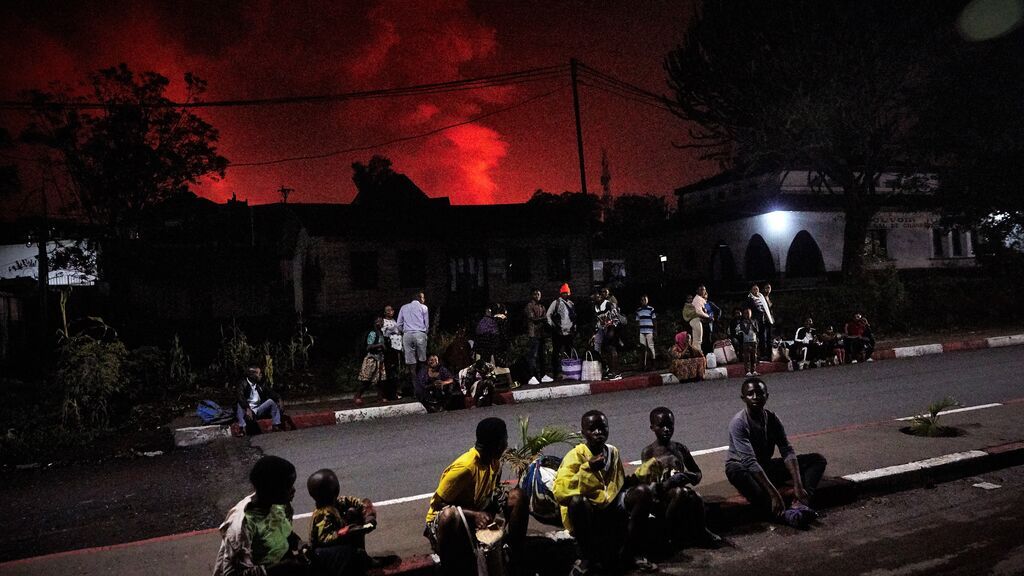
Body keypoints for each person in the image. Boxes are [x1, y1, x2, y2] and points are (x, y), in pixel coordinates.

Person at [553, 410, 658, 575]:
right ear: (583, 433)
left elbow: (619, 485)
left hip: (611, 507)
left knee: (643, 492)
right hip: (590, 511)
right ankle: (587, 558)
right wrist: (587, 468)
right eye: (592, 429)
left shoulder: (613, 452)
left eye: (602, 428)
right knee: (577, 502)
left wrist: (641, 475)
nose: (598, 432)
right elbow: (560, 492)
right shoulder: (575, 456)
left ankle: (631, 552)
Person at [424, 417, 528, 576]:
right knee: (449, 515)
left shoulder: (494, 462)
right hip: (450, 524)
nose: (506, 445)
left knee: (517, 497)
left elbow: (490, 494)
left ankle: (514, 555)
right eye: (504, 440)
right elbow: (438, 504)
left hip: (476, 511)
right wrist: (475, 515)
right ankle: (448, 567)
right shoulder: (465, 468)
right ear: (498, 445)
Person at [725, 378, 828, 526]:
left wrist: (798, 485)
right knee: (741, 476)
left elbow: (787, 450)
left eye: (760, 393)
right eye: (750, 394)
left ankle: (801, 503)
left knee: (817, 460)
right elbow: (749, 462)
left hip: (764, 465)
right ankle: (784, 515)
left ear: (767, 396)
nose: (755, 397)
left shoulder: (772, 419)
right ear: (743, 398)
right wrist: (774, 494)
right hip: (743, 467)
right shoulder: (739, 423)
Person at [640, 407, 722, 548]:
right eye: (661, 426)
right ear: (652, 428)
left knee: (695, 496)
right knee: (680, 492)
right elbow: (648, 484)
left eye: (670, 425)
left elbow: (697, 473)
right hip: (661, 495)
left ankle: (702, 530)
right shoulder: (649, 452)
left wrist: (689, 476)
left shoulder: (680, 448)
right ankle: (667, 531)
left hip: (681, 493)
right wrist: (669, 482)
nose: (666, 429)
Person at [213, 455, 308, 576]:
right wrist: (283, 567)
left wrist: (298, 542)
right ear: (271, 490)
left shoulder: (278, 506)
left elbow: (283, 532)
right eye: (288, 487)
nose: (293, 490)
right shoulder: (242, 527)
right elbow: (236, 573)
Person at [306, 468, 378, 574]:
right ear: (337, 489)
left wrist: (369, 517)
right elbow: (324, 539)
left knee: (353, 511)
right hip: (322, 553)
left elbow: (359, 503)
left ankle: (359, 558)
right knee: (355, 551)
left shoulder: (335, 503)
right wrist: (346, 532)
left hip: (331, 546)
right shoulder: (323, 514)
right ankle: (358, 561)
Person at [236, 365, 284, 433]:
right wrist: (247, 408)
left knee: (271, 402)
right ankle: (242, 428)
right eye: (259, 374)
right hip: (247, 411)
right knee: (239, 404)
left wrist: (279, 399)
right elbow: (240, 397)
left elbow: (271, 392)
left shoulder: (261, 384)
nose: (261, 375)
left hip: (258, 410)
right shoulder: (242, 383)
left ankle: (276, 425)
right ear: (252, 375)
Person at [397, 291, 429, 393]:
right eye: (423, 298)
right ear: (419, 298)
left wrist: (404, 332)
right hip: (420, 334)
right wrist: (425, 333)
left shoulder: (403, 307)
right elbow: (426, 324)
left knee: (412, 365)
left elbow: (399, 324)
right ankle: (423, 386)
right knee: (422, 361)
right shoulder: (424, 307)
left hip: (407, 335)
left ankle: (416, 389)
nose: (424, 300)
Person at [546, 284, 576, 380]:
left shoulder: (571, 304)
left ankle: (570, 372)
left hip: (569, 332)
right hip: (558, 332)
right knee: (556, 353)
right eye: (563, 293)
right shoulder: (556, 303)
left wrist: (574, 326)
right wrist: (552, 325)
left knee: (569, 352)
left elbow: (573, 317)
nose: (565, 294)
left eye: (566, 293)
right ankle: (556, 373)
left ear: (569, 293)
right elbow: (548, 314)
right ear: (560, 293)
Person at [354, 317, 387, 406]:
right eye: (378, 322)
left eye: (381, 322)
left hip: (380, 358)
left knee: (380, 380)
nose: (380, 323)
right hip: (372, 358)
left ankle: (380, 397)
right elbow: (368, 347)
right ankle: (358, 396)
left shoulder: (381, 333)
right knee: (366, 380)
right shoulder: (373, 333)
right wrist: (379, 345)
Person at [592, 290, 623, 380]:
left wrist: (612, 330)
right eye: (594, 298)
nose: (596, 299)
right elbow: (598, 321)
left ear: (601, 296)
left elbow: (615, 318)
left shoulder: (608, 304)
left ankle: (616, 372)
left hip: (612, 328)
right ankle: (609, 370)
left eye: (597, 297)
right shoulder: (596, 307)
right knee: (604, 350)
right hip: (604, 330)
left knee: (611, 348)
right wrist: (595, 333)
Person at [524, 288, 549, 384]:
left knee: (542, 356)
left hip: (541, 333)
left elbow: (544, 319)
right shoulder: (529, 306)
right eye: (535, 294)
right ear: (531, 295)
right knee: (533, 356)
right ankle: (532, 376)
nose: (537, 296)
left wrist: (543, 319)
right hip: (533, 333)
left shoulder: (542, 306)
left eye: (538, 294)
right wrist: (543, 318)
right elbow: (532, 318)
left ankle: (543, 375)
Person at [746, 285, 774, 361]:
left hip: (766, 318)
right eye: (754, 289)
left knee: (768, 337)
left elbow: (768, 307)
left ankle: (768, 354)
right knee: (761, 337)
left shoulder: (762, 297)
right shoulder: (750, 299)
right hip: (757, 320)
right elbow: (749, 310)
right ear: (751, 291)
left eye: (757, 289)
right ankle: (762, 354)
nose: (756, 290)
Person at [381, 305, 404, 399]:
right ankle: (391, 392)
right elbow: (383, 333)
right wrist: (392, 331)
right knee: (391, 370)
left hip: (398, 348)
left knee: (398, 370)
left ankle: (398, 390)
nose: (390, 311)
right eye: (387, 310)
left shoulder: (395, 321)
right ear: (384, 312)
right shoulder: (383, 321)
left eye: (391, 310)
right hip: (391, 348)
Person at [737, 308, 760, 377]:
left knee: (754, 356)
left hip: (753, 340)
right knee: (747, 357)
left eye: (749, 313)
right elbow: (746, 331)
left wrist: (752, 323)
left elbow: (756, 330)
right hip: (746, 341)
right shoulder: (742, 322)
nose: (747, 315)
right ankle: (747, 371)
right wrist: (749, 324)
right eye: (746, 313)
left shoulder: (754, 321)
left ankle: (754, 370)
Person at [688, 286, 712, 353]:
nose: (703, 291)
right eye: (701, 289)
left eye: (704, 290)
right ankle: (698, 355)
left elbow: (709, 311)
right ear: (697, 291)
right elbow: (698, 312)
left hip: (702, 322)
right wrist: (708, 316)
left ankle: (697, 355)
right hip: (696, 320)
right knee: (698, 340)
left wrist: (710, 316)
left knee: (698, 340)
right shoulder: (697, 299)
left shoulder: (703, 300)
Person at [635, 295, 657, 364]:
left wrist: (655, 330)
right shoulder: (638, 310)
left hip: (649, 330)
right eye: (642, 300)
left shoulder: (651, 309)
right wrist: (637, 332)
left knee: (650, 346)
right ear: (641, 301)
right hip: (641, 331)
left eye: (645, 300)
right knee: (643, 348)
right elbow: (637, 322)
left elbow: (654, 320)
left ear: (647, 301)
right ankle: (644, 364)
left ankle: (653, 363)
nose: (643, 301)